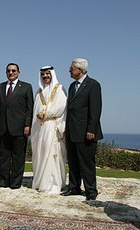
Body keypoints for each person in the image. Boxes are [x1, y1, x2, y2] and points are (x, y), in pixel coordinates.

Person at [62, 58, 102, 201]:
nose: (69, 70)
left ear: (80, 70)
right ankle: (74, 188)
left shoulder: (93, 85)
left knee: (87, 163)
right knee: (73, 162)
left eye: (71, 68)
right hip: (72, 131)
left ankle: (91, 191)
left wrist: (91, 130)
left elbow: (95, 110)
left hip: (86, 133)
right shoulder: (72, 86)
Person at [0, 63, 33, 189]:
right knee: (3, 156)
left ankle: (15, 183)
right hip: (2, 127)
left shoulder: (26, 87)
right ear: (6, 72)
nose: (11, 73)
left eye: (13, 71)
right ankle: (3, 182)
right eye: (8, 71)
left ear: (18, 72)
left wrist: (27, 125)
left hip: (19, 128)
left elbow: (29, 108)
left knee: (18, 157)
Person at [31, 66, 67, 193]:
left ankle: (53, 183)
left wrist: (46, 114)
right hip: (40, 129)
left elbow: (62, 107)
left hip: (52, 126)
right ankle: (41, 181)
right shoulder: (39, 92)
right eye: (43, 74)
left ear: (52, 74)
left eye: (48, 74)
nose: (45, 76)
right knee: (40, 153)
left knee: (52, 155)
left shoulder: (60, 89)